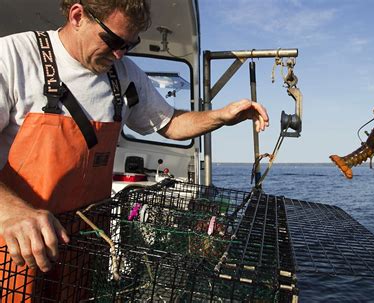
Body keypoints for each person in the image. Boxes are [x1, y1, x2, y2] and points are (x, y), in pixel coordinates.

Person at [0, 0, 269, 297]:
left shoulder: (125, 74)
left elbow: (171, 123)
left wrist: (220, 116)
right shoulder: (14, 57)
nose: (120, 53)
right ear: (77, 16)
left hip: (84, 247)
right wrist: (12, 212)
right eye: (114, 40)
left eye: (130, 44)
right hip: (14, 247)